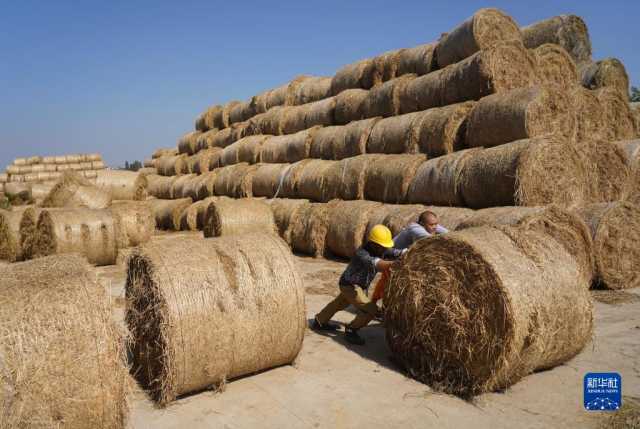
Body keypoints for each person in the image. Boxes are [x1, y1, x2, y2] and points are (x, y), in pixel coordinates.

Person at [312, 224, 403, 345]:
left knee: (339, 304)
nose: (385, 249)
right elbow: (379, 264)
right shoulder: (362, 254)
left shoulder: (380, 249)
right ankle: (351, 329)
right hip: (351, 286)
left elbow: (395, 252)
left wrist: (407, 252)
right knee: (371, 310)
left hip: (353, 285)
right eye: (382, 247)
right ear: (373, 244)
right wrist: (394, 264)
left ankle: (319, 321)